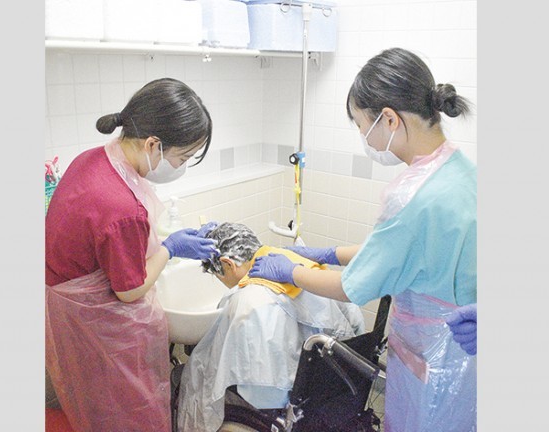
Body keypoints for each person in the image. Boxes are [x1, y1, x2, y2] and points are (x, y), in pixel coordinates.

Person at [248, 47, 477, 432]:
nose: (362, 136)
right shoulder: (461, 171)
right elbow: (403, 251)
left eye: (360, 125)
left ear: (388, 119)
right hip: (466, 358)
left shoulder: (412, 194)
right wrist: (328, 253)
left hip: (433, 359)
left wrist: (291, 270)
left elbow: (353, 287)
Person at [45, 78, 219, 432]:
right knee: (126, 412)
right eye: (182, 157)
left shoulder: (93, 159)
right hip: (99, 327)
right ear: (153, 144)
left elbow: (103, 243)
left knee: (97, 408)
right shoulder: (122, 206)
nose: (182, 166)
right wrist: (170, 248)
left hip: (70, 316)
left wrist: (161, 245)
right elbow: (129, 289)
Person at [176, 222, 366, 432]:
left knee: (196, 379)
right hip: (335, 387)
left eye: (219, 276)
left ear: (228, 264)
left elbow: (261, 397)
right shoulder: (308, 270)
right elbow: (355, 325)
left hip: (284, 405)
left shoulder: (247, 303)